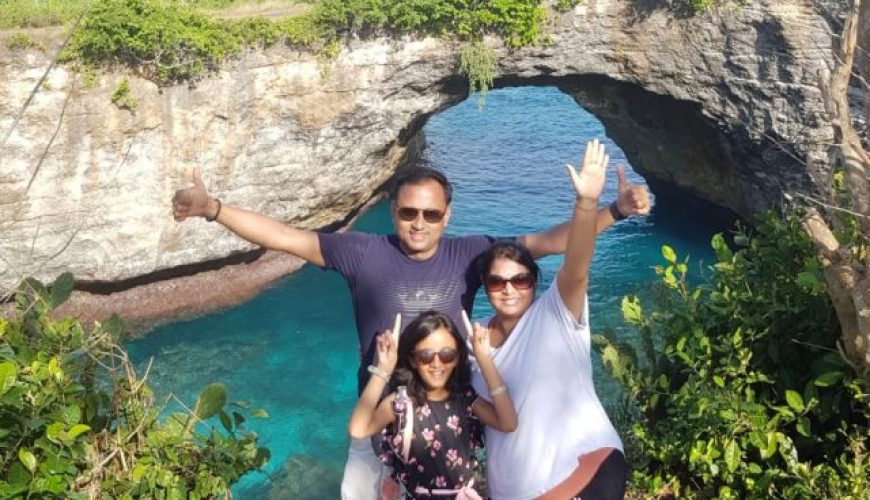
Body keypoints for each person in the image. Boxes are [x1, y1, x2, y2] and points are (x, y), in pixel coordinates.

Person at [172, 162, 649, 499]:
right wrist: (213, 207)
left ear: (448, 216)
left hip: (448, 426)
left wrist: (614, 211)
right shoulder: (362, 253)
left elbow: (549, 243)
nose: (418, 224)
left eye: (431, 214)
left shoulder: (470, 254)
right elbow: (284, 237)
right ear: (393, 209)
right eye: (408, 213)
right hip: (382, 418)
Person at [468, 139, 627, 499]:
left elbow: (577, 265)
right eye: (497, 281)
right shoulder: (472, 345)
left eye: (520, 279)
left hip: (583, 473)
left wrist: (587, 204)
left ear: (534, 282)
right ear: (485, 286)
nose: (509, 289)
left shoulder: (555, 314)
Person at [348, 310, 516, 499]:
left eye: (447, 354)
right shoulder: (401, 404)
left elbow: (508, 422)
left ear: (457, 358)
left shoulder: (465, 397)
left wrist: (485, 360)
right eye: (426, 355)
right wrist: (383, 369)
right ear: (412, 360)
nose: (437, 364)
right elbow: (358, 430)